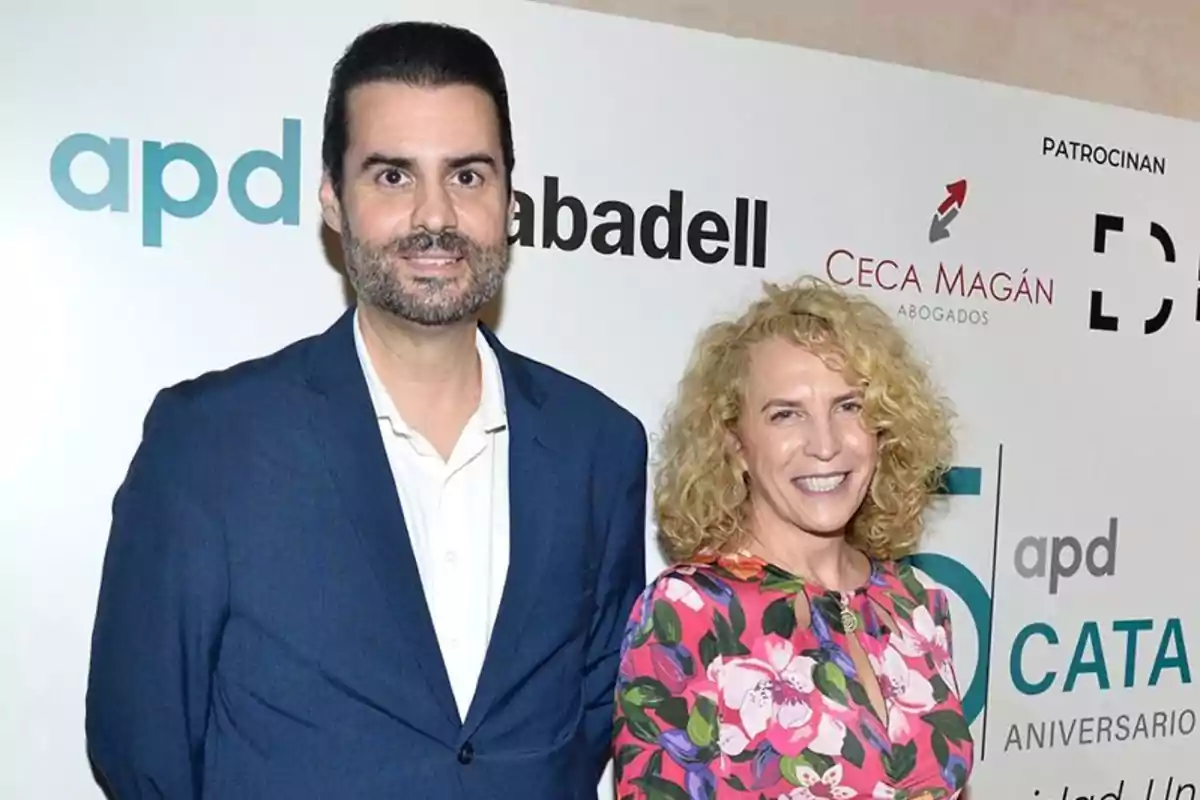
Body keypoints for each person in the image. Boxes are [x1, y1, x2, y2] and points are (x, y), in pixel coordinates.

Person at [84, 21, 648, 799]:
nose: (435, 216)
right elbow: (141, 743)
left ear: (511, 199)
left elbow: (588, 726)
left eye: (468, 176)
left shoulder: (600, 447)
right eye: (391, 176)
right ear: (333, 199)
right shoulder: (210, 442)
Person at [613, 277, 973, 799]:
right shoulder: (691, 614)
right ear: (735, 444)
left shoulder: (916, 604)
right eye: (786, 414)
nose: (825, 444)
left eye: (850, 406)